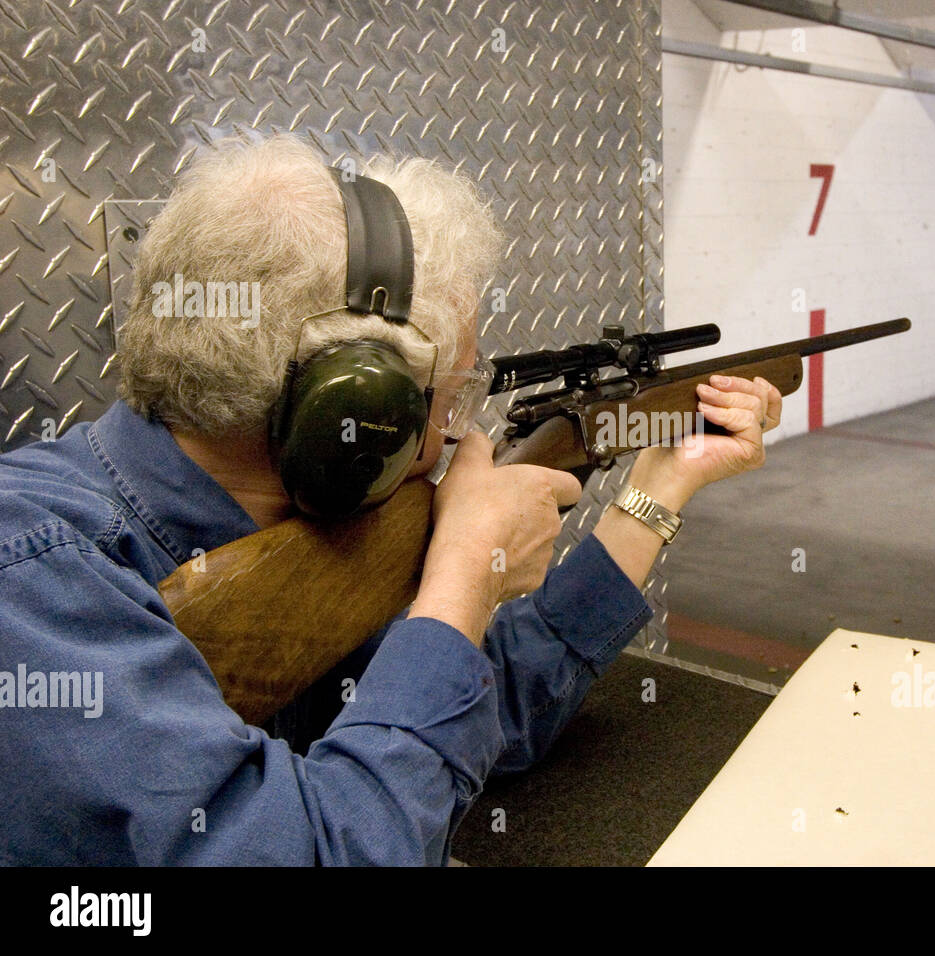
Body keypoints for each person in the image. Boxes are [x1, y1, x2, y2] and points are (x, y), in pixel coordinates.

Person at [0, 134, 781, 865]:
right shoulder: (34, 579)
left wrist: (657, 488)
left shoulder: (311, 528)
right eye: (453, 395)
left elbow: (479, 720)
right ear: (355, 413)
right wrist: (464, 574)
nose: (460, 431)